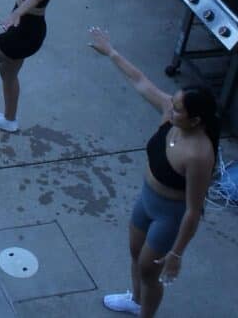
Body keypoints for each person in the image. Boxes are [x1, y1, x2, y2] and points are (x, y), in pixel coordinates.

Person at [88, 29, 219, 317]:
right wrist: (111, 52)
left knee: (150, 272)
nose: (170, 108)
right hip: (146, 200)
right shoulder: (170, 115)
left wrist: (176, 254)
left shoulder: (199, 154)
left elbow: (193, 211)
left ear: (195, 120)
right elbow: (139, 80)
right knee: (136, 254)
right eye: (173, 103)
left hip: (168, 215)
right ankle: (135, 301)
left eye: (178, 109)